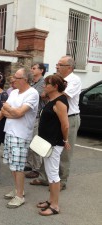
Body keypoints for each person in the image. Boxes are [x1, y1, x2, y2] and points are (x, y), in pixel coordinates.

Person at [0, 68, 39, 208]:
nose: (13, 80)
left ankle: (20, 196)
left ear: (25, 80)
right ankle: (18, 189)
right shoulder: (15, 92)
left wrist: (11, 110)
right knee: (12, 164)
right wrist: (11, 113)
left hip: (21, 134)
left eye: (16, 77)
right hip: (9, 131)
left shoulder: (32, 93)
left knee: (18, 166)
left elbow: (19, 112)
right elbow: (4, 111)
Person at [31, 56, 81, 190]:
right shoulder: (56, 79)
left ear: (69, 68)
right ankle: (44, 177)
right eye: (57, 64)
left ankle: (61, 181)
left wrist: (48, 92)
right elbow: (48, 94)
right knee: (45, 146)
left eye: (60, 65)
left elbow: (62, 95)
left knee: (64, 151)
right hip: (53, 117)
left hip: (69, 117)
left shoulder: (74, 80)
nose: (57, 67)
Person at [36, 74, 70, 216]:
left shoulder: (60, 102)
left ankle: (55, 206)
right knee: (51, 173)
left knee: (53, 174)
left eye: (47, 84)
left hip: (54, 143)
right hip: (46, 142)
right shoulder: (52, 99)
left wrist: (65, 140)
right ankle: (51, 201)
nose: (44, 86)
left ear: (55, 86)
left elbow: (65, 125)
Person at [25, 63, 46, 179]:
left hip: (37, 115)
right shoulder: (32, 82)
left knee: (35, 142)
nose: (32, 70)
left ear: (41, 70)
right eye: (31, 68)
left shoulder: (43, 82)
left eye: (34, 68)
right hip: (30, 115)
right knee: (28, 141)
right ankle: (29, 163)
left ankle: (37, 168)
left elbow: (37, 95)